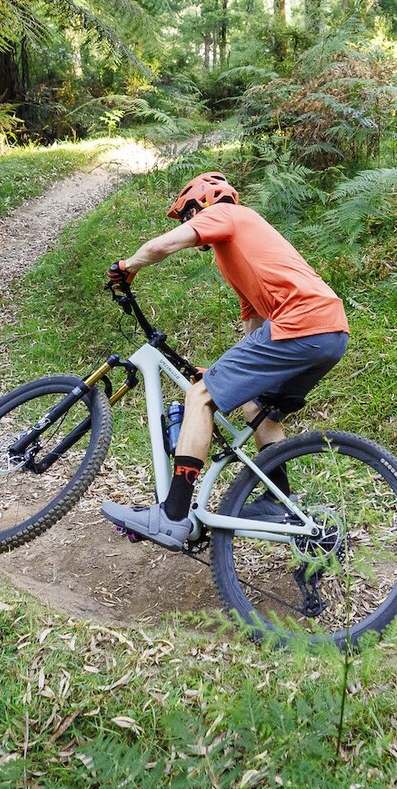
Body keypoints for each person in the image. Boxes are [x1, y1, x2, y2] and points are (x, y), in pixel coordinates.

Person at [99, 171, 350, 549]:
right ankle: (277, 499)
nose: (189, 224)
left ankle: (172, 514)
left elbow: (163, 247)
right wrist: (226, 373)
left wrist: (127, 265)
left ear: (202, 203)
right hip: (329, 332)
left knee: (200, 396)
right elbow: (254, 321)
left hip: (299, 324)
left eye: (187, 215)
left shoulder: (228, 215)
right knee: (255, 406)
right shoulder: (237, 250)